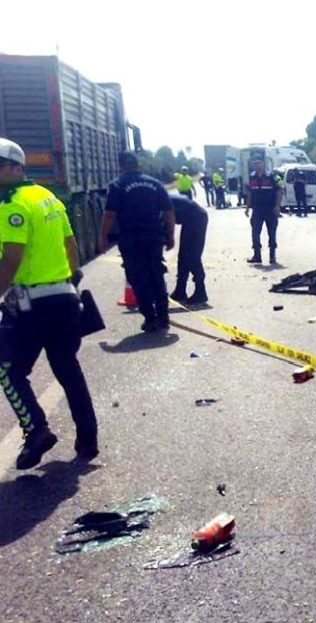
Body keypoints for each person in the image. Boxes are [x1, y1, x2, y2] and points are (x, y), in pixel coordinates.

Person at [0, 137, 99, 468]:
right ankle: (88, 442)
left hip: (31, 307)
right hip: (63, 300)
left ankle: (37, 430)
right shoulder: (49, 198)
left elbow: (10, 260)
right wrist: (69, 282)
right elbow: (71, 247)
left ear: (16, 167)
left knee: (9, 370)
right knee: (68, 370)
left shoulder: (11, 204)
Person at [100, 151, 176, 333]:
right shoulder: (155, 184)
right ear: (138, 165)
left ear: (120, 166)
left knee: (137, 277)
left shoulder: (117, 185)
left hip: (131, 239)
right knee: (156, 274)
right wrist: (170, 235)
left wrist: (102, 237)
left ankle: (150, 317)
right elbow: (169, 212)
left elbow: (110, 214)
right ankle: (163, 317)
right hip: (154, 237)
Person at [168, 194, 209, 304]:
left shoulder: (155, 200)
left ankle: (201, 291)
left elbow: (166, 220)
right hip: (190, 218)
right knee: (183, 256)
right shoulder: (156, 195)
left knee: (192, 256)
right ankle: (180, 290)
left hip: (196, 217)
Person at [245, 159, 281, 264]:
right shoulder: (251, 177)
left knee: (272, 232)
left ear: (263, 164)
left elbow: (279, 191)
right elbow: (250, 194)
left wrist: (277, 206)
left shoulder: (271, 177)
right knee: (255, 233)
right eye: (255, 163)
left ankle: (272, 256)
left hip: (270, 209)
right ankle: (257, 256)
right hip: (257, 209)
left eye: (259, 163)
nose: (257, 165)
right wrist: (247, 207)